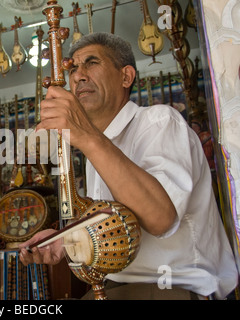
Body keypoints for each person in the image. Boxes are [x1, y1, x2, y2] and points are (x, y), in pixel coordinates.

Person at [18, 32, 238, 300]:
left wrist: (87, 136)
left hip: (169, 288)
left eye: (91, 63)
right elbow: (115, 227)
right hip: (111, 289)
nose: (77, 76)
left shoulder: (158, 122)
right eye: (73, 68)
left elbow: (159, 219)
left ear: (126, 76)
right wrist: (67, 239)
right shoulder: (97, 146)